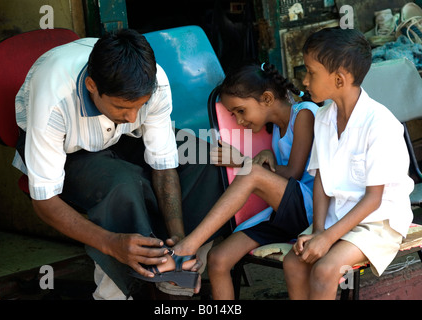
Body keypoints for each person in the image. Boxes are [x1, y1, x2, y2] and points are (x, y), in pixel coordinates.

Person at [13, 28, 227, 299]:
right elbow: (44, 202)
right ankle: (116, 293)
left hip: (122, 137)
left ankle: (173, 271)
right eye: (122, 107)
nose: (133, 115)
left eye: (141, 105)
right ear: (92, 87)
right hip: (68, 147)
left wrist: (178, 240)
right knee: (123, 186)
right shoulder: (54, 102)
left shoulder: (154, 82)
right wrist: (112, 243)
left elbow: (163, 163)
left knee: (205, 161)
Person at [144, 62, 318, 299]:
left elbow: (294, 173)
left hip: (312, 211)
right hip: (284, 212)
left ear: (267, 99)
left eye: (241, 110)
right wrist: (265, 158)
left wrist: (244, 162)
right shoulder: (277, 128)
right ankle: (189, 251)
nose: (238, 120)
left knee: (252, 174)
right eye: (234, 114)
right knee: (218, 259)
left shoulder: (304, 113)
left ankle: (185, 248)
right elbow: (281, 172)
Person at [283, 27, 414, 300]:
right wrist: (319, 230)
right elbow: (321, 179)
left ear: (339, 80)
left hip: (377, 222)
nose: (304, 81)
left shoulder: (380, 124)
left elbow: (373, 200)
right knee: (294, 263)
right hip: (336, 216)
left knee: (324, 270)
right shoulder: (322, 117)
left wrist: (327, 239)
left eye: (311, 72)